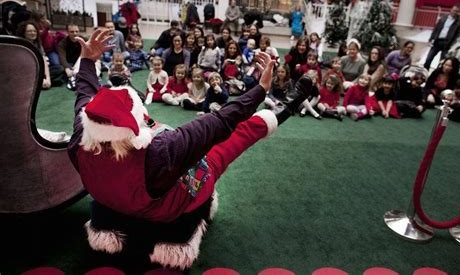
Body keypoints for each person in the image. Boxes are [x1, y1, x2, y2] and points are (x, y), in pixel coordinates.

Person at [69, 28, 314, 270]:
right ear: (133, 125)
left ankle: (283, 107)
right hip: (166, 204)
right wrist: (260, 89)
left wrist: (88, 61)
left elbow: (84, 94)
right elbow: (221, 121)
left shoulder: (81, 136)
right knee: (228, 145)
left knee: (165, 129)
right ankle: (286, 107)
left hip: (113, 194)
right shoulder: (163, 151)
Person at [424, 4, 460, 70]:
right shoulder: (444, 17)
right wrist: (431, 38)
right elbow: (436, 28)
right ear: (451, 10)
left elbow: (458, 35)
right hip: (437, 41)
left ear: (459, 12)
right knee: (428, 59)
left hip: (447, 44)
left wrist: (453, 44)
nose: (455, 12)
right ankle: (424, 74)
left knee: (442, 62)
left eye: (457, 11)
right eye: (454, 10)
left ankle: (436, 76)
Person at [16, 21, 52, 89]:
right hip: (25, 71)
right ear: (24, 33)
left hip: (38, 68)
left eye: (34, 31)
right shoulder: (20, 46)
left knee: (58, 69)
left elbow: (43, 59)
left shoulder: (38, 43)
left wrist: (48, 78)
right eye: (29, 31)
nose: (33, 33)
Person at [57, 24, 82, 89]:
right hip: (69, 63)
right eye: (72, 32)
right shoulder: (62, 43)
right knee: (61, 70)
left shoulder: (83, 40)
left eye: (77, 31)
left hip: (80, 62)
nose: (75, 33)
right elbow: (62, 57)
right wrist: (67, 67)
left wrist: (98, 61)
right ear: (67, 32)